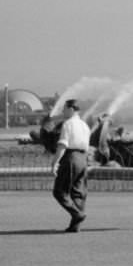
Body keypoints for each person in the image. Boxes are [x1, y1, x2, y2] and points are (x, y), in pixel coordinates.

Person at [50, 99, 92, 232]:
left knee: (59, 191)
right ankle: (75, 226)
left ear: (71, 109)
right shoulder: (85, 125)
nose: (62, 111)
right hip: (83, 159)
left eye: (64, 108)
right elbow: (87, 146)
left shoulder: (67, 124)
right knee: (78, 193)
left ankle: (77, 214)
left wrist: (55, 162)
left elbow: (63, 144)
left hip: (71, 157)